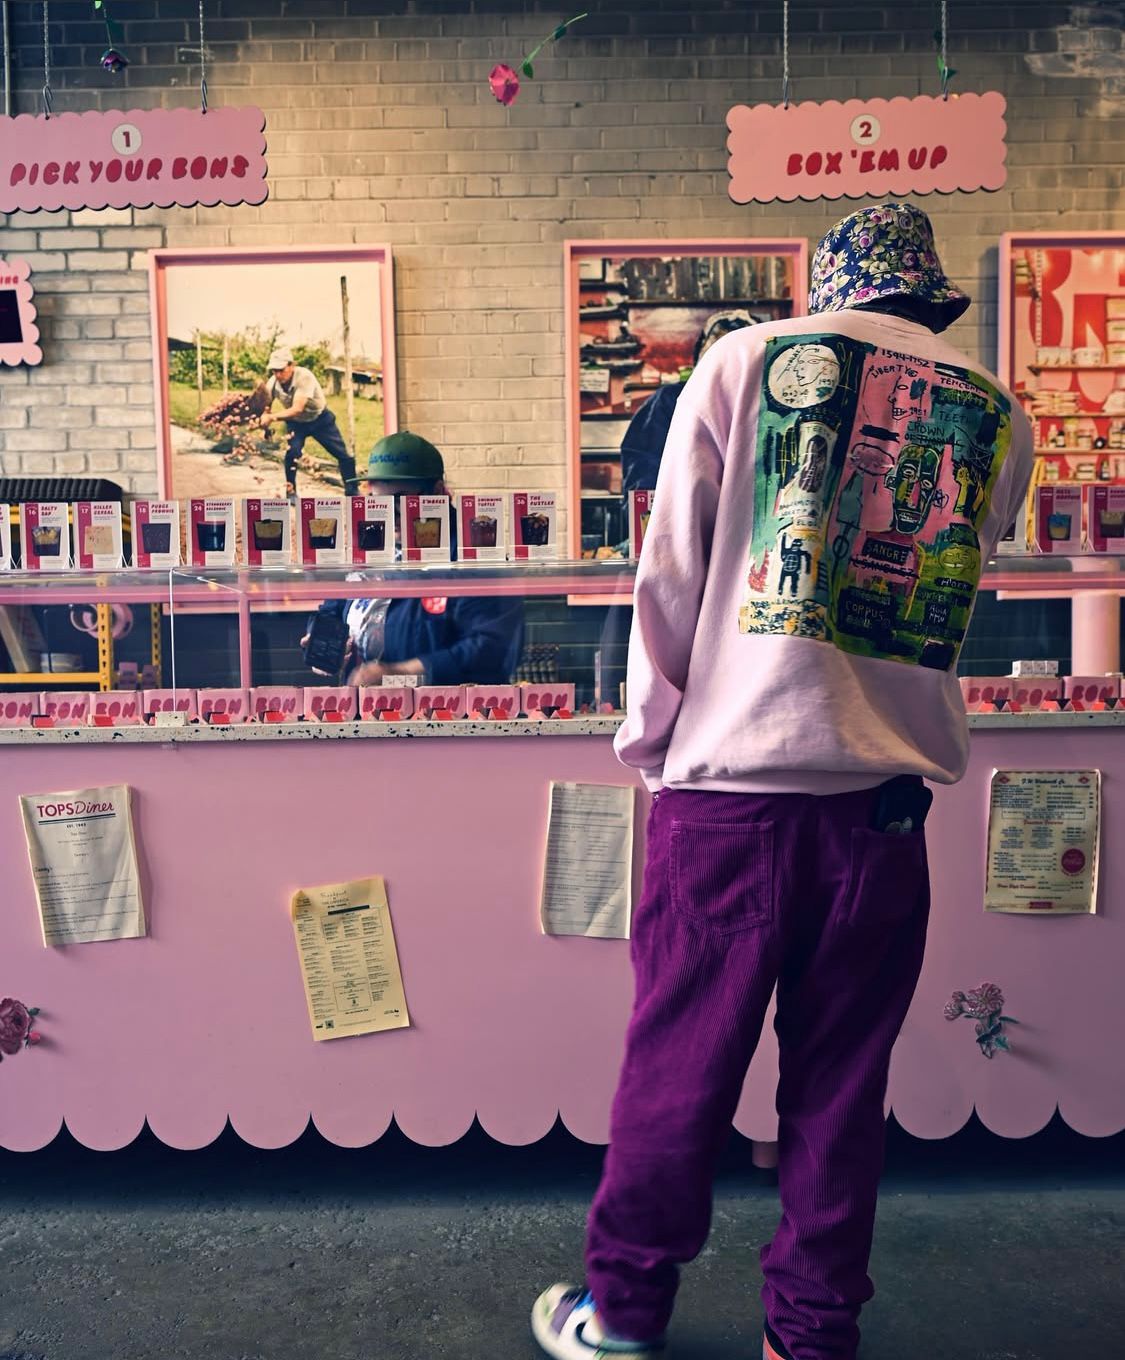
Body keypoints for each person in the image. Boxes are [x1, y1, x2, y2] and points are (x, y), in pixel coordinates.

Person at [531, 203, 1034, 1360]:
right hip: (885, 816)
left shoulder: (747, 362)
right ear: (932, 298)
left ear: (830, 286)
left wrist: (655, 746)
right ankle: (809, 1334)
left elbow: (671, 573)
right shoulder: (998, 412)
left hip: (729, 802)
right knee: (841, 1089)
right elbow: (958, 592)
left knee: (677, 1070)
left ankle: (625, 1312)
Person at [307, 431, 523, 686]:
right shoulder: (369, 544)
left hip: (449, 712)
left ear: (438, 492)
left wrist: (398, 672)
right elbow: (332, 609)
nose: (389, 514)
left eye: (401, 500)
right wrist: (323, 643)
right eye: (378, 502)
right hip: (368, 709)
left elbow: (492, 645)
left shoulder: (474, 551)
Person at [260, 346, 359, 497]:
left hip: (320, 420)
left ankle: (352, 491)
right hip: (296, 424)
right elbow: (266, 406)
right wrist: (265, 425)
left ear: (291, 365)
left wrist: (272, 417)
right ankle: (291, 492)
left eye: (281, 370)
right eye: (275, 371)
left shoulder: (304, 377)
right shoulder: (273, 383)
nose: (278, 375)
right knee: (292, 453)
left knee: (343, 455)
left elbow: (297, 408)